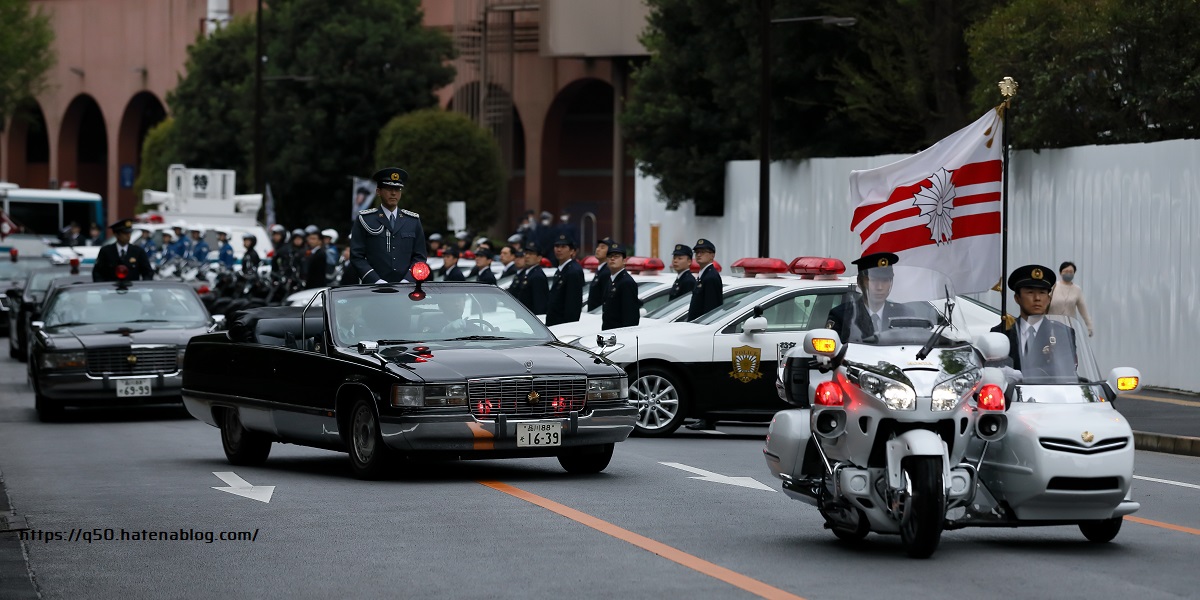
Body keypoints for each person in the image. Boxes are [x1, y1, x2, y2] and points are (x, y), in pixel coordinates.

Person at [991, 264, 1077, 375]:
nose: (1037, 298)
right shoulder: (1000, 333)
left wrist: (1020, 376)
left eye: (1042, 293)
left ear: (1049, 299)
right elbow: (993, 372)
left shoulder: (1062, 333)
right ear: (1017, 298)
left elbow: (1065, 369)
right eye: (1030, 292)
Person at [350, 167, 427, 284]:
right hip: (373, 289)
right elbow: (357, 256)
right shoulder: (365, 219)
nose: (393, 193)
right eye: (389, 188)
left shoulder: (412, 220)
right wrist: (375, 280)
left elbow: (420, 256)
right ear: (378, 191)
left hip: (406, 289)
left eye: (398, 189)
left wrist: (408, 279)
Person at [825, 252, 910, 342]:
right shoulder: (842, 316)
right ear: (859, 282)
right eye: (873, 280)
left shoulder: (903, 314)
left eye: (885, 280)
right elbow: (830, 353)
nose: (880, 287)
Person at [546, 233, 585, 326]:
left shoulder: (573, 271)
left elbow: (572, 305)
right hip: (554, 324)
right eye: (557, 246)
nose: (559, 250)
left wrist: (568, 327)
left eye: (563, 247)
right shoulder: (561, 269)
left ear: (572, 251)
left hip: (563, 326)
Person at [1048, 261, 1094, 337]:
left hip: (1069, 328)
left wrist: (1089, 326)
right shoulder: (1053, 286)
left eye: (1071, 272)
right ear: (1060, 272)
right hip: (1052, 326)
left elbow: (1083, 310)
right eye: (1066, 271)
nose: (1068, 274)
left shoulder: (1077, 289)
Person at [601, 242, 639, 330]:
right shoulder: (611, 280)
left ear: (624, 261)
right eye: (610, 256)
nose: (612, 259)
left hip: (620, 336)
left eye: (616, 256)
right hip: (609, 334)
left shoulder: (626, 282)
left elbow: (630, 317)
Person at [687, 238, 722, 321]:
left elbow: (711, 309)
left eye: (702, 252)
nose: (698, 255)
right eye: (697, 252)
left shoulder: (711, 277)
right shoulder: (703, 275)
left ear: (712, 255)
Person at [515, 243, 548, 315]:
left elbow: (539, 304)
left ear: (539, 258)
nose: (527, 256)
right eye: (526, 253)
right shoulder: (527, 273)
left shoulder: (537, 276)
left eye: (531, 254)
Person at [587, 237, 615, 311]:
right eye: (598, 246)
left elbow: (605, 298)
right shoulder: (601, 270)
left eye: (602, 247)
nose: (598, 249)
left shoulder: (607, 272)